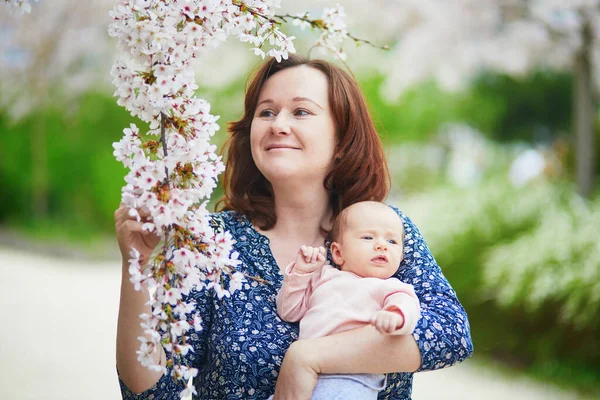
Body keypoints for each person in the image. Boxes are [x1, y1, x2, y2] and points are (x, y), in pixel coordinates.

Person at [115, 53, 473, 400]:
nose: (278, 125)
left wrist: (308, 357)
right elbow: (153, 392)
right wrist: (138, 265)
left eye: (301, 111)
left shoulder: (382, 231)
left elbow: (450, 333)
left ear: (341, 140)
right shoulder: (209, 241)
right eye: (266, 112)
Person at [271, 200, 421, 400]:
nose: (382, 246)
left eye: (392, 241)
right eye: (368, 237)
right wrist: (301, 274)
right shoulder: (323, 277)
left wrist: (395, 317)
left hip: (352, 379)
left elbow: (409, 307)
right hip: (303, 378)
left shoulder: (391, 287)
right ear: (338, 253)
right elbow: (289, 311)